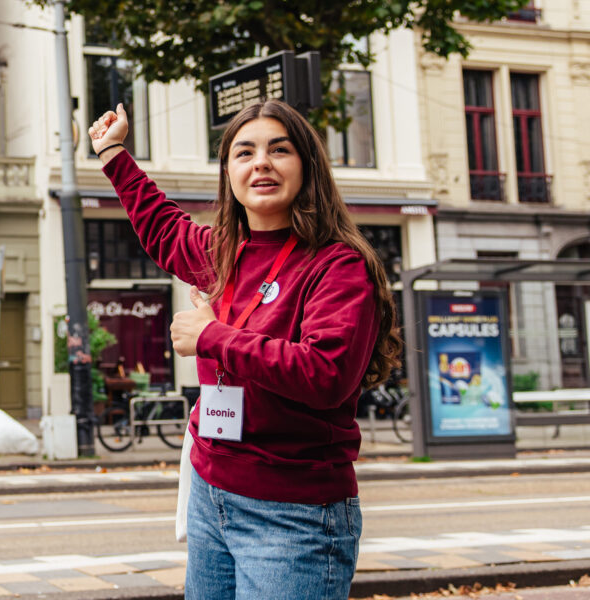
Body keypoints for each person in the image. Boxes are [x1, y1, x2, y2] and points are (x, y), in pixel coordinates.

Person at [88, 101, 401, 599]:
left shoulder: (338, 265)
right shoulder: (224, 252)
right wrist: (113, 152)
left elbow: (326, 375)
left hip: (292, 512)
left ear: (308, 165)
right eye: (244, 152)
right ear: (228, 172)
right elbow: (162, 227)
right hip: (212, 491)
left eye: (280, 149)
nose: (261, 163)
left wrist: (212, 336)